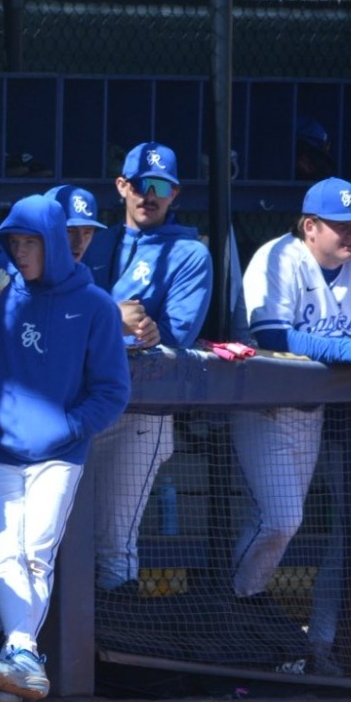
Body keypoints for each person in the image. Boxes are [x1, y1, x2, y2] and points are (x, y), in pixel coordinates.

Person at [0, 194, 129, 702]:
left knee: (35, 554)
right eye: (15, 242)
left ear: (53, 243)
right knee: (4, 552)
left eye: (31, 242)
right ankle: (23, 656)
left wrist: (68, 428)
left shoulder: (95, 305)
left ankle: (15, 661)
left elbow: (113, 392)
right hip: (0, 448)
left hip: (59, 455)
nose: (21, 251)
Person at [236, 177, 351, 676]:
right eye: (340, 226)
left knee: (277, 521)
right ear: (310, 226)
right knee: (280, 519)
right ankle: (238, 601)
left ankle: (244, 608)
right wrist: (350, 351)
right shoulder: (277, 258)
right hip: (262, 407)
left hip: (309, 413)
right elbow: (269, 333)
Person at [84, 144, 213, 598]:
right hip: (80, 405)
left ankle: (111, 657)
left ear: (175, 193)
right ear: (123, 186)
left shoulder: (189, 253)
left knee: (115, 541)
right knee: (59, 535)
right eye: (141, 184)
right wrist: (110, 318)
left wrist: (102, 327)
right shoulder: (92, 240)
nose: (149, 194)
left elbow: (174, 336)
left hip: (142, 413)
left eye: (161, 186)